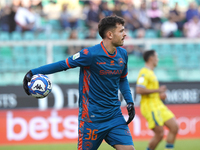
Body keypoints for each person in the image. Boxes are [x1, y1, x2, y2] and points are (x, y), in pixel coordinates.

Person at [23, 16, 136, 150]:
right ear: (110, 34)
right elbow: (62, 64)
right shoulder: (90, 54)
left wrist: (129, 101)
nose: (125, 34)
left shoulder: (123, 54)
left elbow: (122, 79)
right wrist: (33, 72)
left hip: (114, 116)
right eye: (121, 31)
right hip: (91, 119)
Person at [136, 50, 179, 150]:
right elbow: (139, 89)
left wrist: (160, 95)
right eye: (157, 57)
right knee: (159, 134)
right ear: (151, 58)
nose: (158, 59)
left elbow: (151, 92)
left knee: (174, 127)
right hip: (150, 107)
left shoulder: (151, 73)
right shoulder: (144, 72)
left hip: (158, 105)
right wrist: (158, 90)